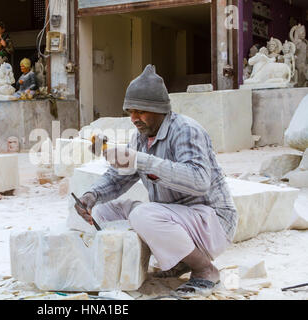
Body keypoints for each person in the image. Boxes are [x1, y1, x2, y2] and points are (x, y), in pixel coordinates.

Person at [74, 65, 238, 295]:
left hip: (212, 221)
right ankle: (172, 263)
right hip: (178, 217)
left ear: (159, 108)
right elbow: (118, 179)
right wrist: (92, 196)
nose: (133, 118)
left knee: (143, 214)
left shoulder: (186, 130)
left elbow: (199, 180)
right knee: (104, 212)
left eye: (140, 111)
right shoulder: (140, 138)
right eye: (130, 112)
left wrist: (140, 160)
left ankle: (204, 270)